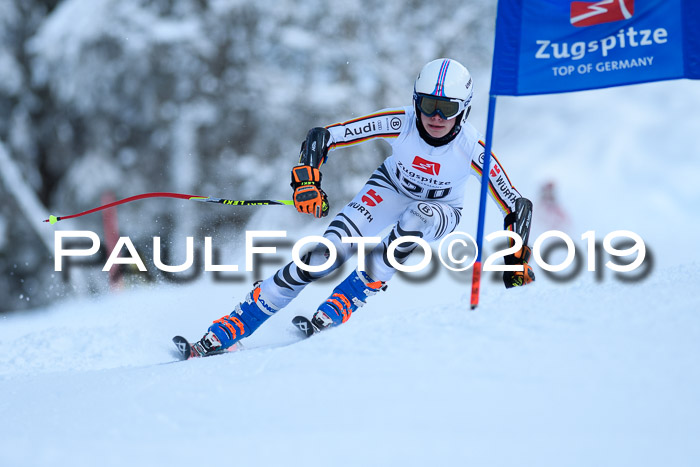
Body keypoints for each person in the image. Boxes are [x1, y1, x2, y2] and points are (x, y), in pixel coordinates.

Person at [187, 58, 535, 357]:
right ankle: (236, 324)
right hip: (390, 188)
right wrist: (307, 179)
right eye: (428, 105)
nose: (436, 117)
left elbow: (516, 205)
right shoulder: (401, 123)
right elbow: (324, 136)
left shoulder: (471, 147)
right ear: (416, 102)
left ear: (465, 110)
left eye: (448, 109)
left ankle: (349, 297)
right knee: (323, 256)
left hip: (440, 209)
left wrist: (516, 262)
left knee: (416, 219)